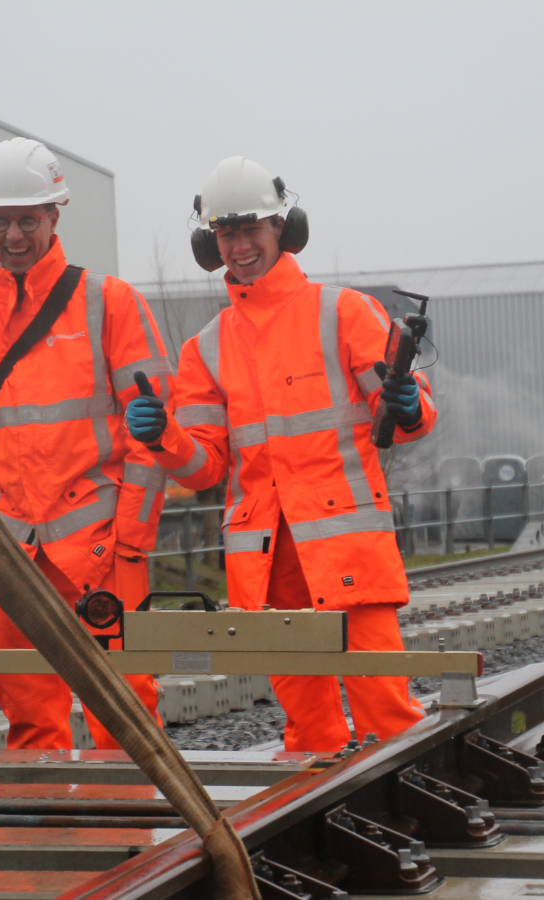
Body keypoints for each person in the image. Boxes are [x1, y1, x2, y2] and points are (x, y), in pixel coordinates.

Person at [124, 156, 436, 752]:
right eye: (227, 234)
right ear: (210, 244)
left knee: (387, 717)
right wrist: (162, 436)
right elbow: (206, 466)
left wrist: (407, 403)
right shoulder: (206, 348)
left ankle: (401, 817)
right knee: (309, 733)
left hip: (347, 552)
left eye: (252, 231)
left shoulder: (343, 313)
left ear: (283, 232)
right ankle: (313, 834)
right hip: (266, 565)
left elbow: (410, 417)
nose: (240, 247)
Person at [0, 138, 172, 750]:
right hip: (9, 553)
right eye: (1, 221)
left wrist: (131, 540)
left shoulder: (109, 303)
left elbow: (155, 437)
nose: (14, 236)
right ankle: (48, 837)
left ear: (56, 215)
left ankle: (137, 844)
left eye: (28, 220)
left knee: (126, 716)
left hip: (104, 550)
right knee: (31, 722)